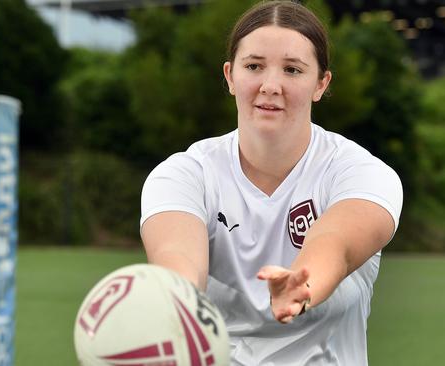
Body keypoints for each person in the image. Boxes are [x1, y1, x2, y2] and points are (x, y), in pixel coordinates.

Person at [140, 1, 403, 365]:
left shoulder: (360, 172)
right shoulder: (184, 174)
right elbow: (179, 258)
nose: (271, 85)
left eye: (293, 70)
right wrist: (174, 301)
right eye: (254, 66)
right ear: (231, 76)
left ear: (321, 83)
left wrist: (302, 285)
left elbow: (335, 245)